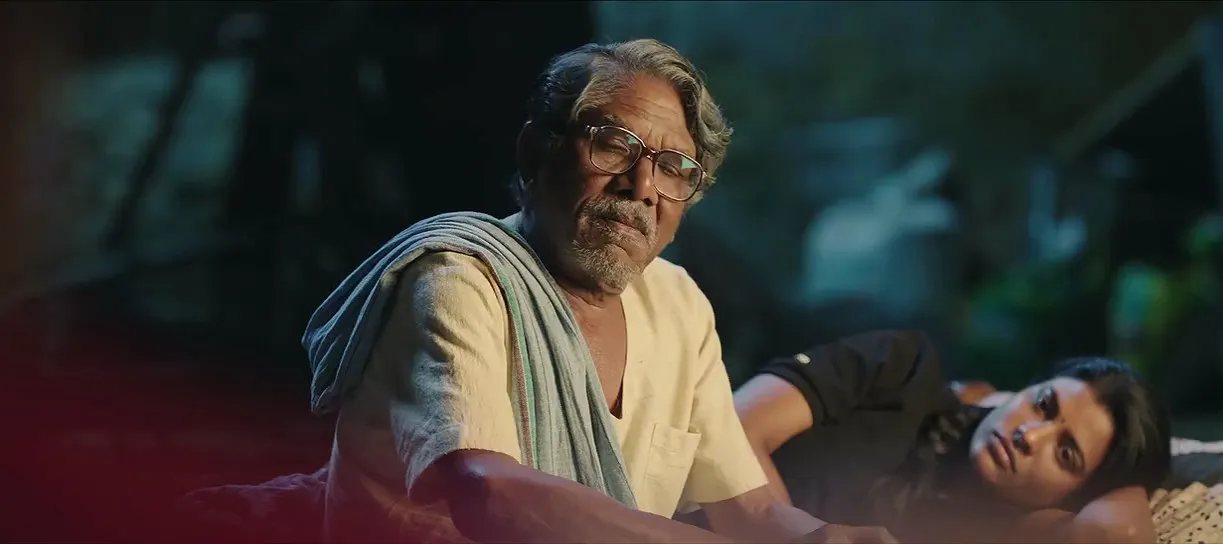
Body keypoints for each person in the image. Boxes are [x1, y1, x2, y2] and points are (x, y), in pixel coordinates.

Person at [302, 39, 891, 544]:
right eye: (614, 145)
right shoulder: (461, 280)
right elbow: (489, 491)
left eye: (673, 168)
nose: (642, 187)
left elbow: (749, 509)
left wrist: (823, 536)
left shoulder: (679, 303)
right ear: (536, 151)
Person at [734, 330, 1173, 543]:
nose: (1030, 435)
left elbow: (1116, 534)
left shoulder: (996, 532)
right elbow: (734, 425)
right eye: (1043, 404)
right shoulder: (902, 370)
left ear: (1072, 499)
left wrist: (1128, 480)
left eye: (1065, 454)